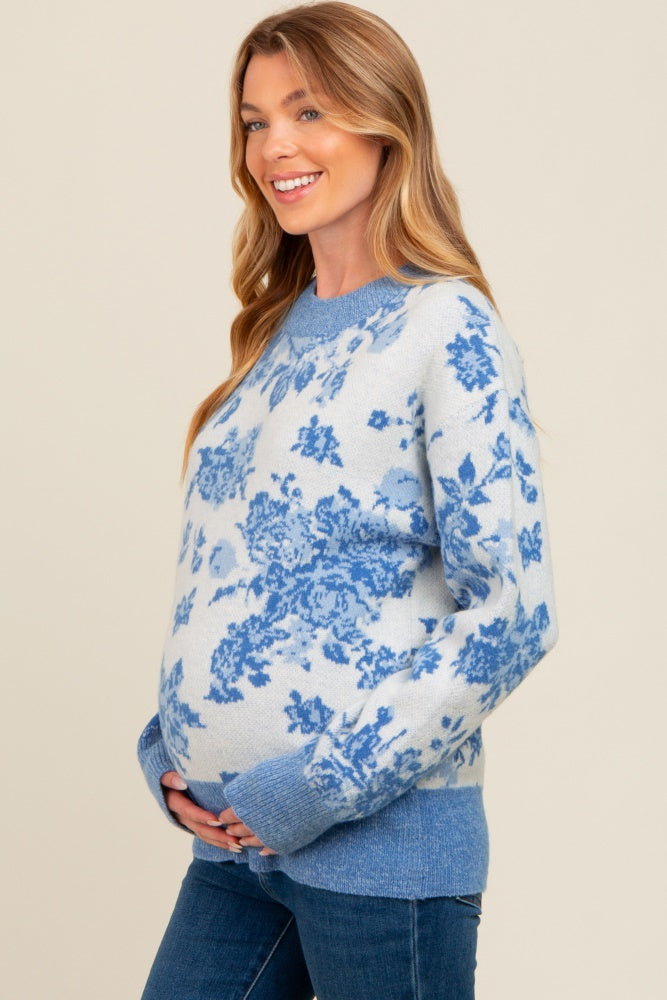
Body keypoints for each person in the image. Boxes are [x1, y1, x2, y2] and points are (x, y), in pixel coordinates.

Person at [137, 3, 558, 997]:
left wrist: (315, 786)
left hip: (381, 853)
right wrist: (171, 748)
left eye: (308, 111)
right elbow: (236, 572)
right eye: (254, 121)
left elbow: (513, 614)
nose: (273, 146)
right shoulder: (272, 332)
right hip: (235, 848)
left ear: (385, 124)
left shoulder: (443, 326)